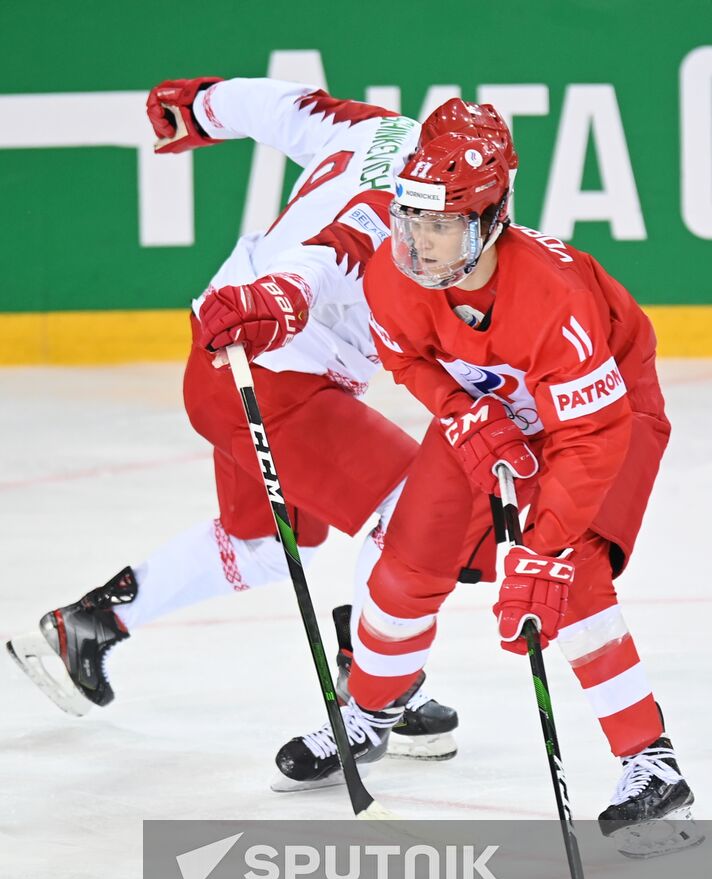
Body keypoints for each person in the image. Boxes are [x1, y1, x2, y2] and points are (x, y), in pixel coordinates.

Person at [6, 82, 513, 774]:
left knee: (268, 543)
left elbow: (285, 108)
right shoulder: (404, 213)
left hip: (225, 351)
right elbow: (333, 252)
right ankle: (377, 686)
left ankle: (87, 626)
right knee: (418, 507)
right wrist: (277, 300)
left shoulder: (384, 131)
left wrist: (201, 107)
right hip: (269, 371)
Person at [277, 128, 698, 849]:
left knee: (573, 575)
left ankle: (650, 764)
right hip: (489, 410)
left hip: (607, 416)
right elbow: (405, 355)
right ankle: (370, 712)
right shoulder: (393, 271)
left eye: (441, 224)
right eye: (411, 218)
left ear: (491, 219)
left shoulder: (553, 298)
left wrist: (543, 549)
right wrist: (459, 408)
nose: (420, 241)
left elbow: (589, 439)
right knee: (406, 561)